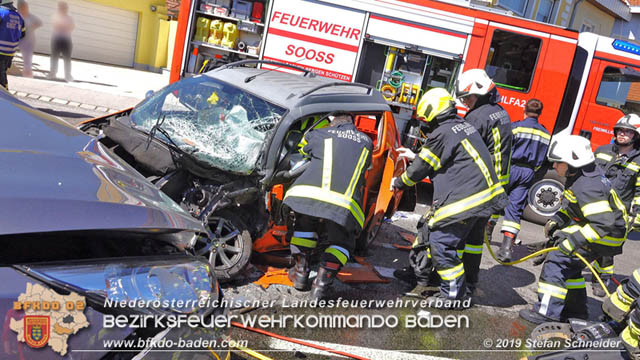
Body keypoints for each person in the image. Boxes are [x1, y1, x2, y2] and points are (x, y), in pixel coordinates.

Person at [391, 88, 508, 308]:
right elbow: (448, 157)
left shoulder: (442, 132)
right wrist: (415, 155)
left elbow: (420, 170)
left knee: (442, 244)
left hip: (467, 199)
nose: (425, 124)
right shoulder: (463, 126)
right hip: (481, 197)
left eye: (426, 118)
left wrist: (398, 183)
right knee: (429, 230)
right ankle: (423, 276)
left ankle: (454, 295)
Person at [520, 134, 628, 324]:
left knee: (557, 261)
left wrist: (572, 241)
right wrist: (558, 219)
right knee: (571, 267)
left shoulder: (587, 186)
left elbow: (603, 224)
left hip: (605, 235)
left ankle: (546, 312)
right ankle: (575, 312)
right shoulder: (580, 175)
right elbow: (576, 207)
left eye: (557, 163)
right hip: (603, 230)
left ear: (572, 162)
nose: (554, 166)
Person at [284, 113, 373, 300]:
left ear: (333, 122)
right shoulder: (367, 142)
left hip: (308, 194)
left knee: (304, 229)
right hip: (344, 203)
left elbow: (299, 153)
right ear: (352, 123)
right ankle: (321, 285)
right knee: (341, 243)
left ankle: (300, 273)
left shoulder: (319, 133)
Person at [455, 68, 513, 287]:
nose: (465, 102)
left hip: (479, 186)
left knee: (457, 234)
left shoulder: (477, 117)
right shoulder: (500, 112)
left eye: (466, 97)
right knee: (474, 239)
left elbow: (462, 148)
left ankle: (452, 282)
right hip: (495, 187)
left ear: (478, 93)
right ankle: (470, 281)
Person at [591, 114, 640, 297]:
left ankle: (601, 279)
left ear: (636, 136)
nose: (622, 134)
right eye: (620, 130)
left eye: (627, 131)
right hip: (594, 207)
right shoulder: (603, 150)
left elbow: (639, 192)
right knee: (583, 241)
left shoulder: (638, 161)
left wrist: (636, 216)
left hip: (617, 214)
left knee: (607, 249)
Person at [496, 99, 550, 262]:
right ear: (540, 113)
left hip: (510, 168)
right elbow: (545, 159)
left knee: (494, 199)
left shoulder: (516, 126)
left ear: (524, 111)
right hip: (528, 172)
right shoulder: (545, 134)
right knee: (515, 207)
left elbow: (503, 148)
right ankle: (506, 249)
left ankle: (487, 231)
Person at [0, 0, 25, 88]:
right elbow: (23, 34)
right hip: (10, 53)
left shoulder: (1, 12)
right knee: (2, 74)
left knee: (1, 78)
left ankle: (5, 97)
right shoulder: (19, 16)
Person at [48, 1, 74, 81]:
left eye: (65, 7)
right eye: (62, 7)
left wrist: (63, 27)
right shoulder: (56, 16)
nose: (64, 9)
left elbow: (72, 27)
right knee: (54, 57)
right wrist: (64, 27)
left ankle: (68, 75)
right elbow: (55, 26)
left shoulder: (69, 17)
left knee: (67, 59)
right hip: (57, 40)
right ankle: (52, 73)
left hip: (66, 40)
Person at [17, 0, 40, 78]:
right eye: (23, 7)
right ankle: (27, 72)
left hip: (30, 39)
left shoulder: (30, 16)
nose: (25, 8)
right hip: (20, 39)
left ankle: (27, 73)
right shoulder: (18, 15)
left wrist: (31, 27)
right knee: (24, 56)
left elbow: (39, 22)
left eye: (26, 6)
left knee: (27, 56)